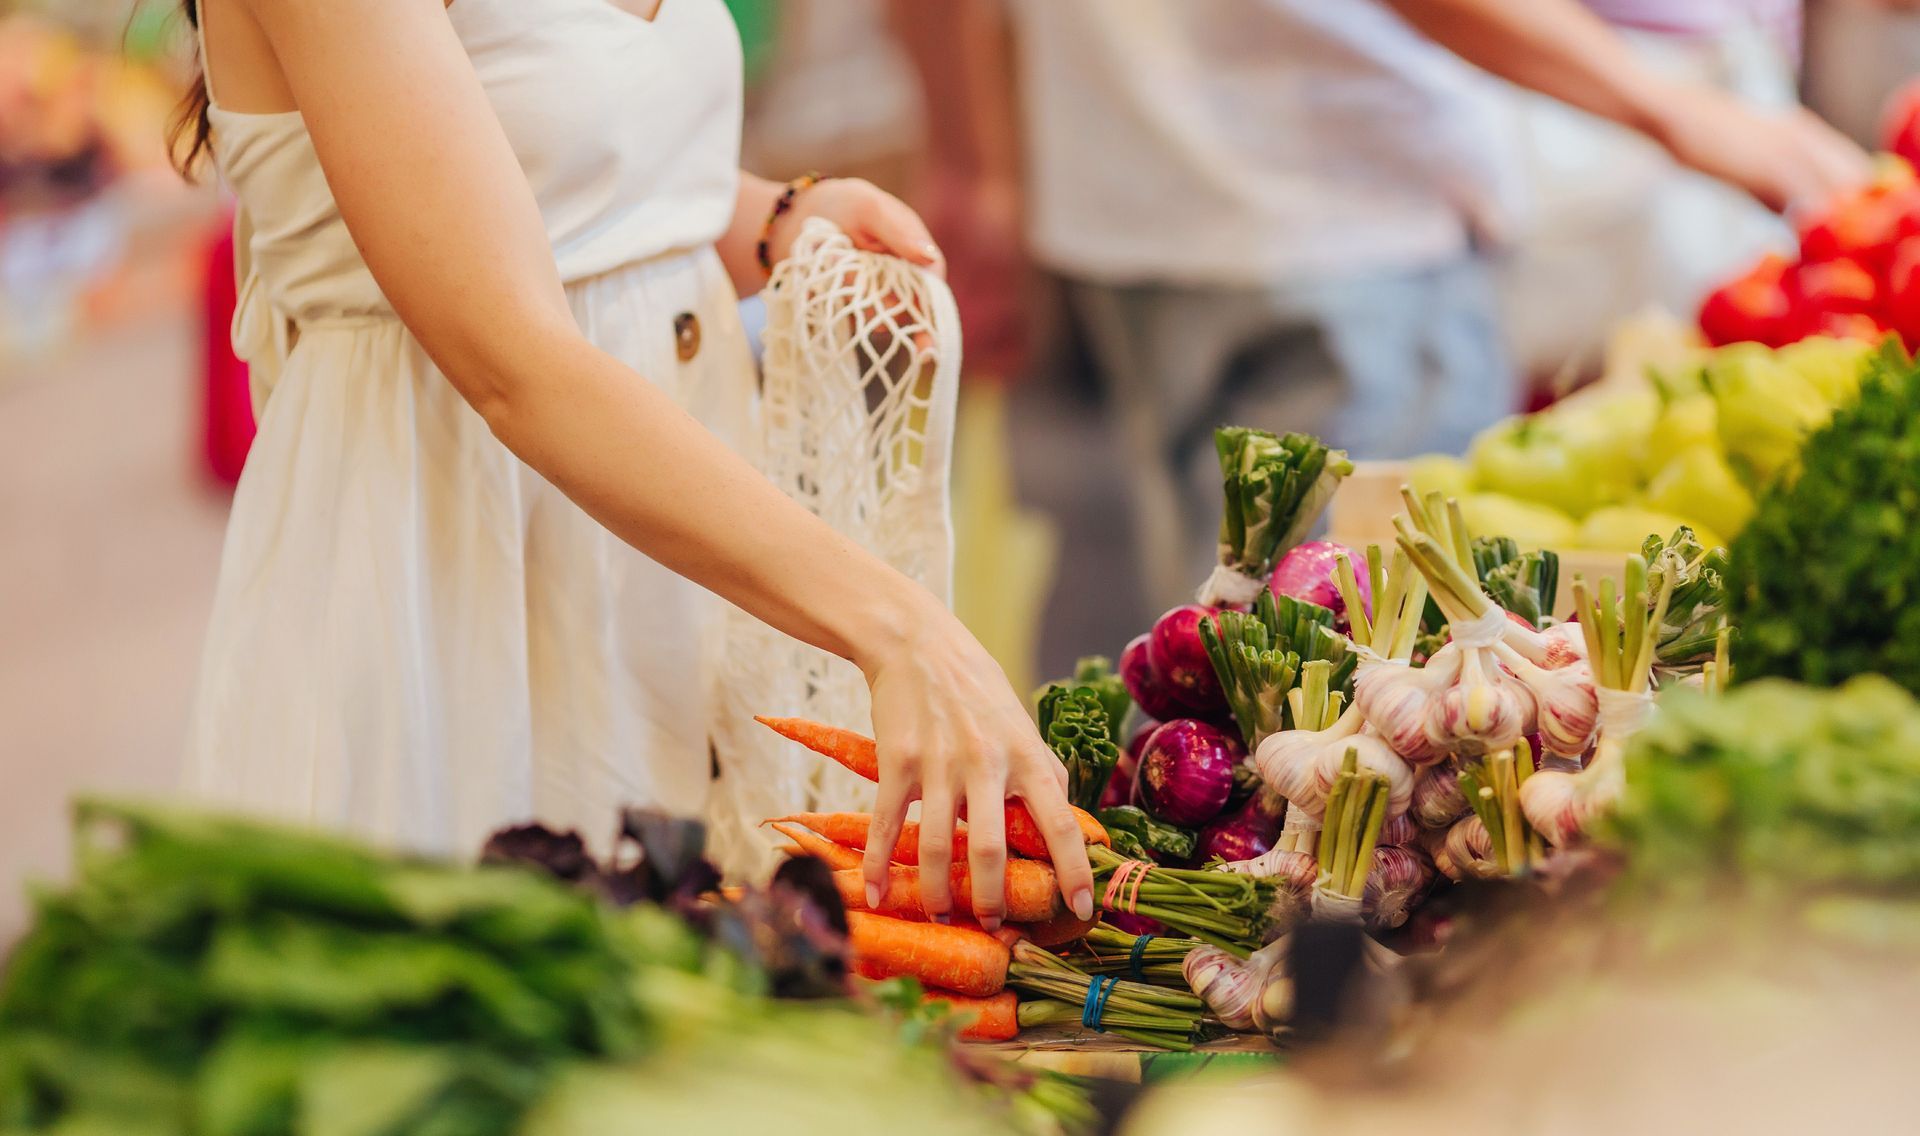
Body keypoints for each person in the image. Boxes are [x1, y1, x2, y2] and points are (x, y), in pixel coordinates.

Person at [171, 0, 1093, 932]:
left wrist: (773, 220)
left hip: (666, 561)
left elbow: (581, 171)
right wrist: (901, 630)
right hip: (450, 571)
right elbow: (517, 365)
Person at [917, 0, 1870, 611]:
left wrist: (975, 159)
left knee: (1225, 649)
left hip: (1122, 207)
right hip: (1345, 219)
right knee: (1352, 695)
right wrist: (1671, 111)